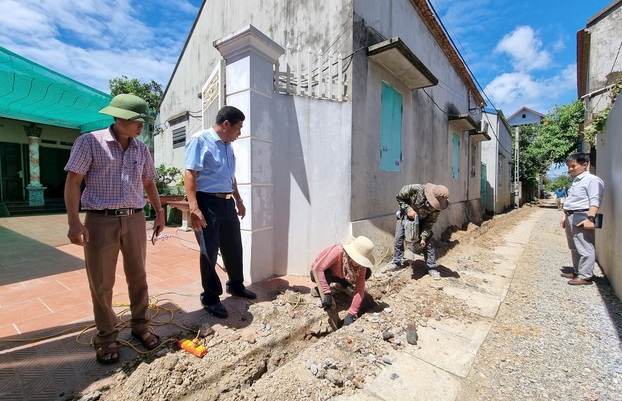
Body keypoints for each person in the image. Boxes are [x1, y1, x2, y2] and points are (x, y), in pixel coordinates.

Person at [64, 94, 164, 364]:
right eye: (138, 120)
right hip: (100, 220)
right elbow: (73, 182)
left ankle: (141, 324)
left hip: (134, 219)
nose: (142, 126)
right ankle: (106, 335)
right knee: (102, 281)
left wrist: (159, 211)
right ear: (119, 117)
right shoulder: (89, 142)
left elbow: (148, 183)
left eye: (144, 121)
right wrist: (74, 221)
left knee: (138, 275)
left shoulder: (141, 149)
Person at [184, 106, 256, 319]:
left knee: (233, 246)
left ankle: (235, 285)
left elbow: (229, 176)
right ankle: (211, 297)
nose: (239, 133)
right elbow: (190, 174)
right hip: (207, 202)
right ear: (226, 124)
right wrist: (194, 208)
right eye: (238, 128)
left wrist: (238, 199)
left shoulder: (227, 146)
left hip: (226, 203)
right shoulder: (200, 140)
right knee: (209, 252)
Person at [386, 183, 449, 279]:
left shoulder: (437, 207)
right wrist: (408, 210)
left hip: (422, 221)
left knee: (428, 243)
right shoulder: (415, 189)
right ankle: (396, 262)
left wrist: (423, 237)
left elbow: (429, 223)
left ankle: (431, 267)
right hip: (406, 217)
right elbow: (399, 197)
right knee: (399, 238)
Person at [310, 236, 375, 326]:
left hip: (340, 275)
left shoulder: (361, 266)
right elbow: (318, 269)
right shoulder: (339, 251)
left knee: (367, 273)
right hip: (321, 273)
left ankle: (341, 287)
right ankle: (321, 289)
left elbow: (360, 289)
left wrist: (352, 314)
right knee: (325, 274)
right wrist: (327, 293)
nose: (359, 263)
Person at [560, 153, 604, 285]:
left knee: (585, 246)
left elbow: (595, 200)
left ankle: (585, 276)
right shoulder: (576, 180)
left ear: (584, 164)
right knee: (574, 246)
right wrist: (564, 215)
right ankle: (578, 270)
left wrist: (590, 218)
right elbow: (572, 200)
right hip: (571, 214)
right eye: (569, 166)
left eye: (573, 166)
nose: (570, 169)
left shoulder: (592, 180)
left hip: (582, 215)